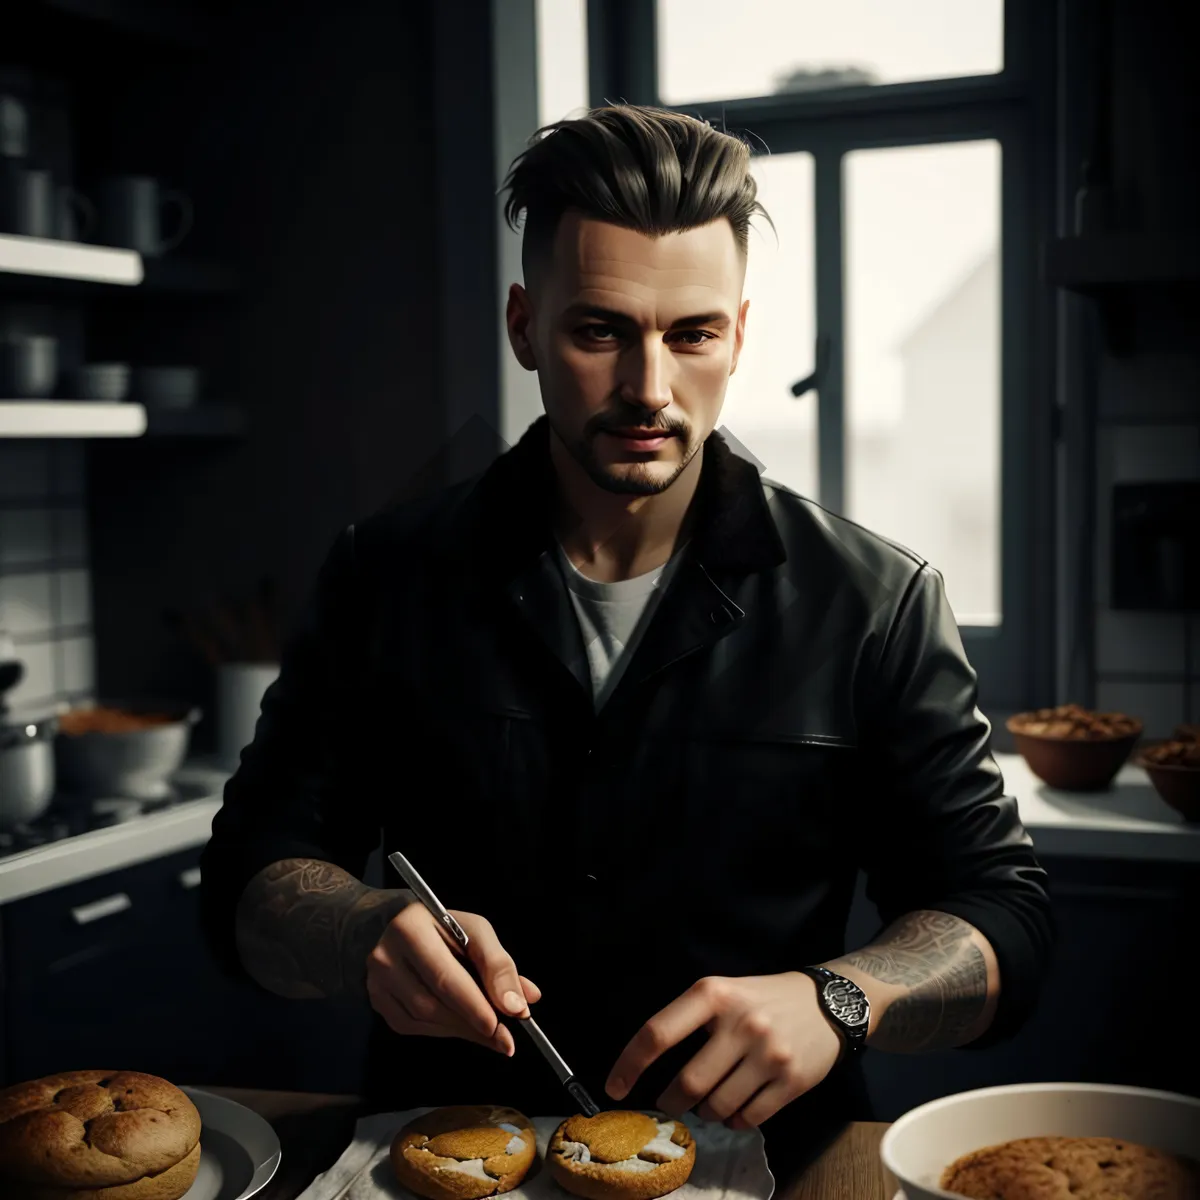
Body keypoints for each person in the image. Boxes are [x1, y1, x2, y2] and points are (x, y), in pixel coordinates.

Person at [198, 104, 1053, 1164]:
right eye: (599, 331)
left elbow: (1005, 916)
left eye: (691, 335)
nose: (649, 390)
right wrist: (360, 930)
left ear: (738, 333)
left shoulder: (875, 598)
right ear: (524, 326)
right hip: (449, 1159)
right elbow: (247, 879)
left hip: (774, 1166)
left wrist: (840, 997)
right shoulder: (386, 576)